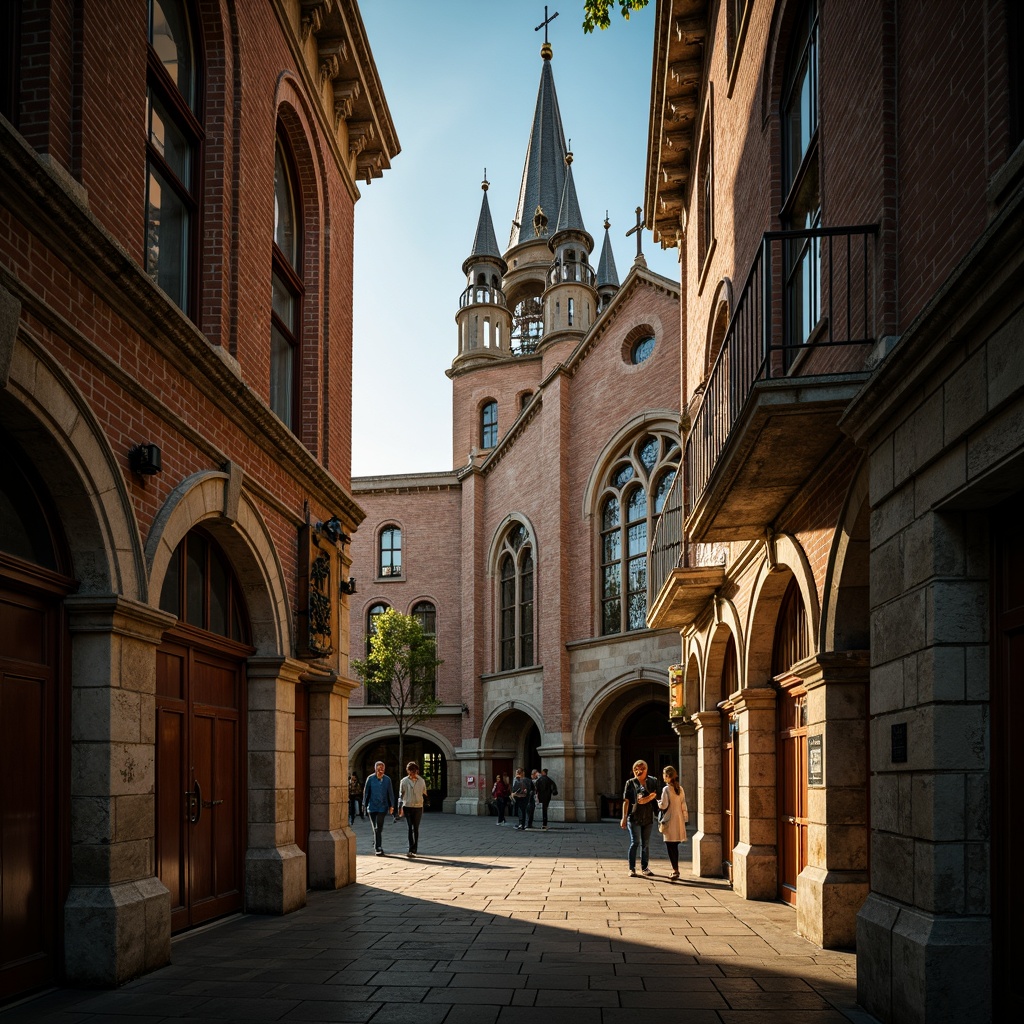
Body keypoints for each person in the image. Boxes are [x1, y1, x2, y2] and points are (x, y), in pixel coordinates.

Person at [620, 759, 659, 877]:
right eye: (636, 769)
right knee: (635, 842)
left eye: (642, 769)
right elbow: (626, 801)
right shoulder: (630, 783)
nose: (639, 771)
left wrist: (648, 799)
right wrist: (624, 817)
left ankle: (645, 867)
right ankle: (632, 868)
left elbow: (656, 794)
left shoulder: (653, 781)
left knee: (645, 843)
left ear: (646, 770)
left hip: (648, 816)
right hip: (634, 817)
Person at [657, 765, 689, 880]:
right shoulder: (680, 788)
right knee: (674, 846)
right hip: (678, 820)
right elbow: (683, 805)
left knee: (670, 846)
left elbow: (664, 805)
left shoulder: (666, 789)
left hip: (670, 820)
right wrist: (685, 819)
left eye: (664, 775)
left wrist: (658, 803)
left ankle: (675, 870)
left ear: (667, 776)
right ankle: (676, 869)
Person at [363, 761, 396, 856]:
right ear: (375, 769)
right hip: (372, 807)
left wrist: (392, 806)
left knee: (379, 827)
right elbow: (366, 792)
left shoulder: (387, 780)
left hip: (382, 807)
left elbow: (390, 793)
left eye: (382, 768)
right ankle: (377, 844)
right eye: (378, 768)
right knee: (375, 828)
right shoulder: (370, 779)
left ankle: (378, 847)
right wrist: (364, 805)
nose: (380, 770)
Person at [398, 761, 428, 858]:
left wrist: (426, 801)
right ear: (408, 771)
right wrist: (400, 807)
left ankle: (415, 848)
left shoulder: (421, 781)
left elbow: (424, 792)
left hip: (418, 806)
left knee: (416, 828)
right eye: (411, 771)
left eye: (414, 771)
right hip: (407, 806)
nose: (413, 773)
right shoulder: (404, 781)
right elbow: (400, 795)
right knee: (410, 827)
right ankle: (411, 849)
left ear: (417, 771)